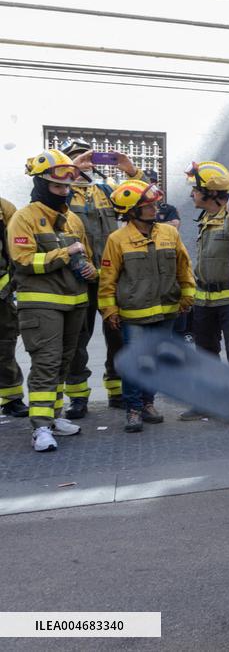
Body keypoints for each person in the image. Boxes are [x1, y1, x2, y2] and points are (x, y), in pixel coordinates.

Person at [7, 150, 98, 452]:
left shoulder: (72, 218)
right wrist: (65, 254)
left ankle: (54, 416)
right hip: (41, 304)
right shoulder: (24, 217)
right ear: (41, 184)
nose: (64, 192)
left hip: (74, 302)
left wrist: (89, 268)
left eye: (67, 187)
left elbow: (85, 254)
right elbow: (22, 261)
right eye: (58, 187)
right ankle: (41, 428)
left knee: (63, 361)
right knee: (46, 364)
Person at [99, 179, 195, 432]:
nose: (156, 209)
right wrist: (109, 310)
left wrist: (187, 296)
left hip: (167, 310)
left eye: (154, 204)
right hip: (134, 314)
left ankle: (148, 403)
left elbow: (184, 267)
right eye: (149, 206)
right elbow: (107, 279)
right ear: (132, 211)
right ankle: (133, 409)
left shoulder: (169, 233)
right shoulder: (117, 239)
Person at [61, 139, 141, 418]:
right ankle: (79, 398)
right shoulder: (61, 193)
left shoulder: (105, 190)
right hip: (78, 279)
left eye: (89, 158)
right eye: (78, 158)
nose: (87, 162)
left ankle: (117, 390)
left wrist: (131, 172)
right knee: (77, 340)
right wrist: (70, 171)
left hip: (110, 277)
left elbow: (142, 199)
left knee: (117, 335)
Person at [180, 161, 229, 423]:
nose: (192, 194)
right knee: (205, 352)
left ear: (210, 193)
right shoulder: (206, 218)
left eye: (196, 189)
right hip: (204, 299)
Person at [0, 196, 28, 417]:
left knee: (4, 347)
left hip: (1, 294)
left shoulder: (4, 207)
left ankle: (11, 399)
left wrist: (10, 285)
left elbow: (15, 250)